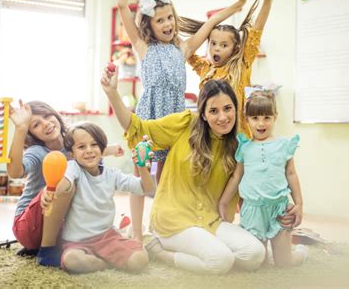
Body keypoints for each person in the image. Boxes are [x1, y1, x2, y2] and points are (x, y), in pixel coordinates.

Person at [117, 0, 248, 241]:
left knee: (165, 179)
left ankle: (160, 228)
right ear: (149, 26)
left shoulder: (183, 49)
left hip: (176, 123)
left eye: (169, 18)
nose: (167, 23)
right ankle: (138, 235)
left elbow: (211, 22)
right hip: (149, 122)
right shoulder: (142, 47)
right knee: (141, 176)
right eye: (159, 19)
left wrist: (238, 4)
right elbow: (121, 6)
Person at [102, 66, 268, 274]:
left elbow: (252, 183)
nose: (223, 117)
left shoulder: (239, 142)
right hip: (174, 219)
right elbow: (138, 128)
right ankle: (160, 252)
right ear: (204, 115)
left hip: (211, 219)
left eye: (228, 108)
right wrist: (112, 93)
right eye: (213, 111)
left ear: (236, 108)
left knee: (255, 254)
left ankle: (209, 254)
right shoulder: (186, 123)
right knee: (221, 261)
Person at [8, 100, 123, 267]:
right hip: (28, 226)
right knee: (67, 181)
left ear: (55, 115)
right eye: (36, 125)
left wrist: (110, 149)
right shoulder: (38, 152)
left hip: (58, 226)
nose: (46, 124)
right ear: (31, 134)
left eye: (47, 116)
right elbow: (15, 172)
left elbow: (81, 152)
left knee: (87, 170)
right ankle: (46, 250)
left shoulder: (75, 146)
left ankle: (106, 235)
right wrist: (20, 129)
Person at [40, 122, 155, 274]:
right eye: (81, 147)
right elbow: (64, 182)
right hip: (77, 243)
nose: (89, 150)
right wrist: (50, 190)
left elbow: (146, 188)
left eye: (94, 145)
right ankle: (106, 263)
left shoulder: (112, 174)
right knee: (72, 260)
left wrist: (142, 167)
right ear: (72, 154)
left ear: (102, 149)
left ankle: (108, 258)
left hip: (107, 238)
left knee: (140, 260)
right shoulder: (73, 167)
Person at [218, 90, 308, 267]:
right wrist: (223, 202)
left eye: (267, 117)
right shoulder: (244, 147)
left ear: (275, 117)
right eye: (255, 118)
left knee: (284, 264)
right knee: (259, 261)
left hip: (279, 210)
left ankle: (300, 253)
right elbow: (236, 177)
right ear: (247, 119)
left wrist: (299, 204)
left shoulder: (284, 145)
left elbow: (291, 174)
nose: (261, 123)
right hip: (253, 212)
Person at [180, 0, 276, 137]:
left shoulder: (241, 64)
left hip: (238, 138)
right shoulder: (206, 69)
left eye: (224, 45)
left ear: (235, 49)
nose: (216, 48)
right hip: (212, 138)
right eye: (213, 44)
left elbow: (256, 30)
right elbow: (185, 50)